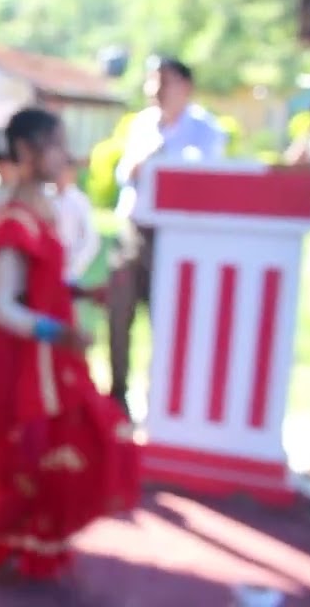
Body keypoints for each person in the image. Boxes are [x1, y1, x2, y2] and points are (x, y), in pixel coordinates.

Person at [0, 107, 139, 583]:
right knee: (28, 461)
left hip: (49, 362)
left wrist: (77, 294)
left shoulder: (42, 209)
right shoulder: (14, 220)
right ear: (28, 152)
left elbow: (38, 285)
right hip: (21, 365)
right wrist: (58, 332)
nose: (64, 154)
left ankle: (25, 548)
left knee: (76, 445)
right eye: (55, 144)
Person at [108, 57, 224, 414]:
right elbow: (123, 173)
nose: (156, 90)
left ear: (185, 86)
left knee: (169, 320)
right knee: (119, 314)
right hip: (133, 231)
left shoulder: (205, 129)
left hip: (176, 237)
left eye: (165, 82)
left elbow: (206, 180)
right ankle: (117, 396)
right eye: (152, 81)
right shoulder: (142, 124)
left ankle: (161, 401)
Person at [53, 158, 98, 284]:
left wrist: (76, 268)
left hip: (69, 269)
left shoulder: (79, 201)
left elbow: (91, 239)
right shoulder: (45, 196)